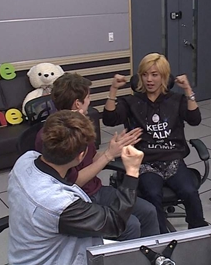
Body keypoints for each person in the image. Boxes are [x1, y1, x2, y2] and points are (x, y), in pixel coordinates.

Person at [8, 110, 144, 265]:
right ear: (81, 156)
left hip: (31, 251)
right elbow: (114, 223)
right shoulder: (59, 204)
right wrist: (132, 172)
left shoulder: (25, 161)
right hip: (53, 260)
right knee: (129, 238)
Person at [34, 73, 159, 239]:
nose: (89, 100)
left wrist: (114, 150)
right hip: (79, 199)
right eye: (88, 97)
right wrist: (108, 155)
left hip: (96, 189)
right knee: (130, 226)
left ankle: (156, 251)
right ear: (78, 103)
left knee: (149, 211)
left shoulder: (80, 124)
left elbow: (90, 160)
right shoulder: (57, 134)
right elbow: (74, 182)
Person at [102, 53, 208, 233]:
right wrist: (113, 90)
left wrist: (188, 90)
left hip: (172, 159)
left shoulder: (175, 100)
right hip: (145, 161)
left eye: (154, 75)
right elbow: (109, 119)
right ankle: (159, 236)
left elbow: (195, 119)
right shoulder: (132, 101)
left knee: (189, 191)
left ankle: (198, 233)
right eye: (145, 75)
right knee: (152, 194)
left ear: (164, 77)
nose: (149, 80)